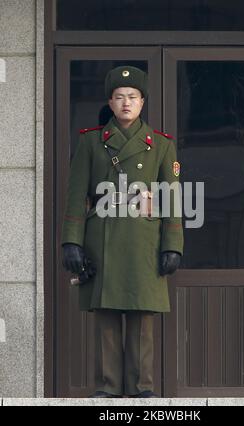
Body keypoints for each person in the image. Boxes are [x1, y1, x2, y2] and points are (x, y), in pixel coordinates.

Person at [61, 65, 184, 398]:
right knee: (107, 315)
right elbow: (76, 194)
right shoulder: (90, 142)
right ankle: (108, 387)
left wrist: (173, 244)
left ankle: (143, 387)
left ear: (142, 103)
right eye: (119, 97)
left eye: (132, 97)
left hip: (144, 238)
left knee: (143, 316)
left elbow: (171, 199)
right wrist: (71, 241)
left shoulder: (161, 145)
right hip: (103, 235)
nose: (126, 103)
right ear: (110, 103)